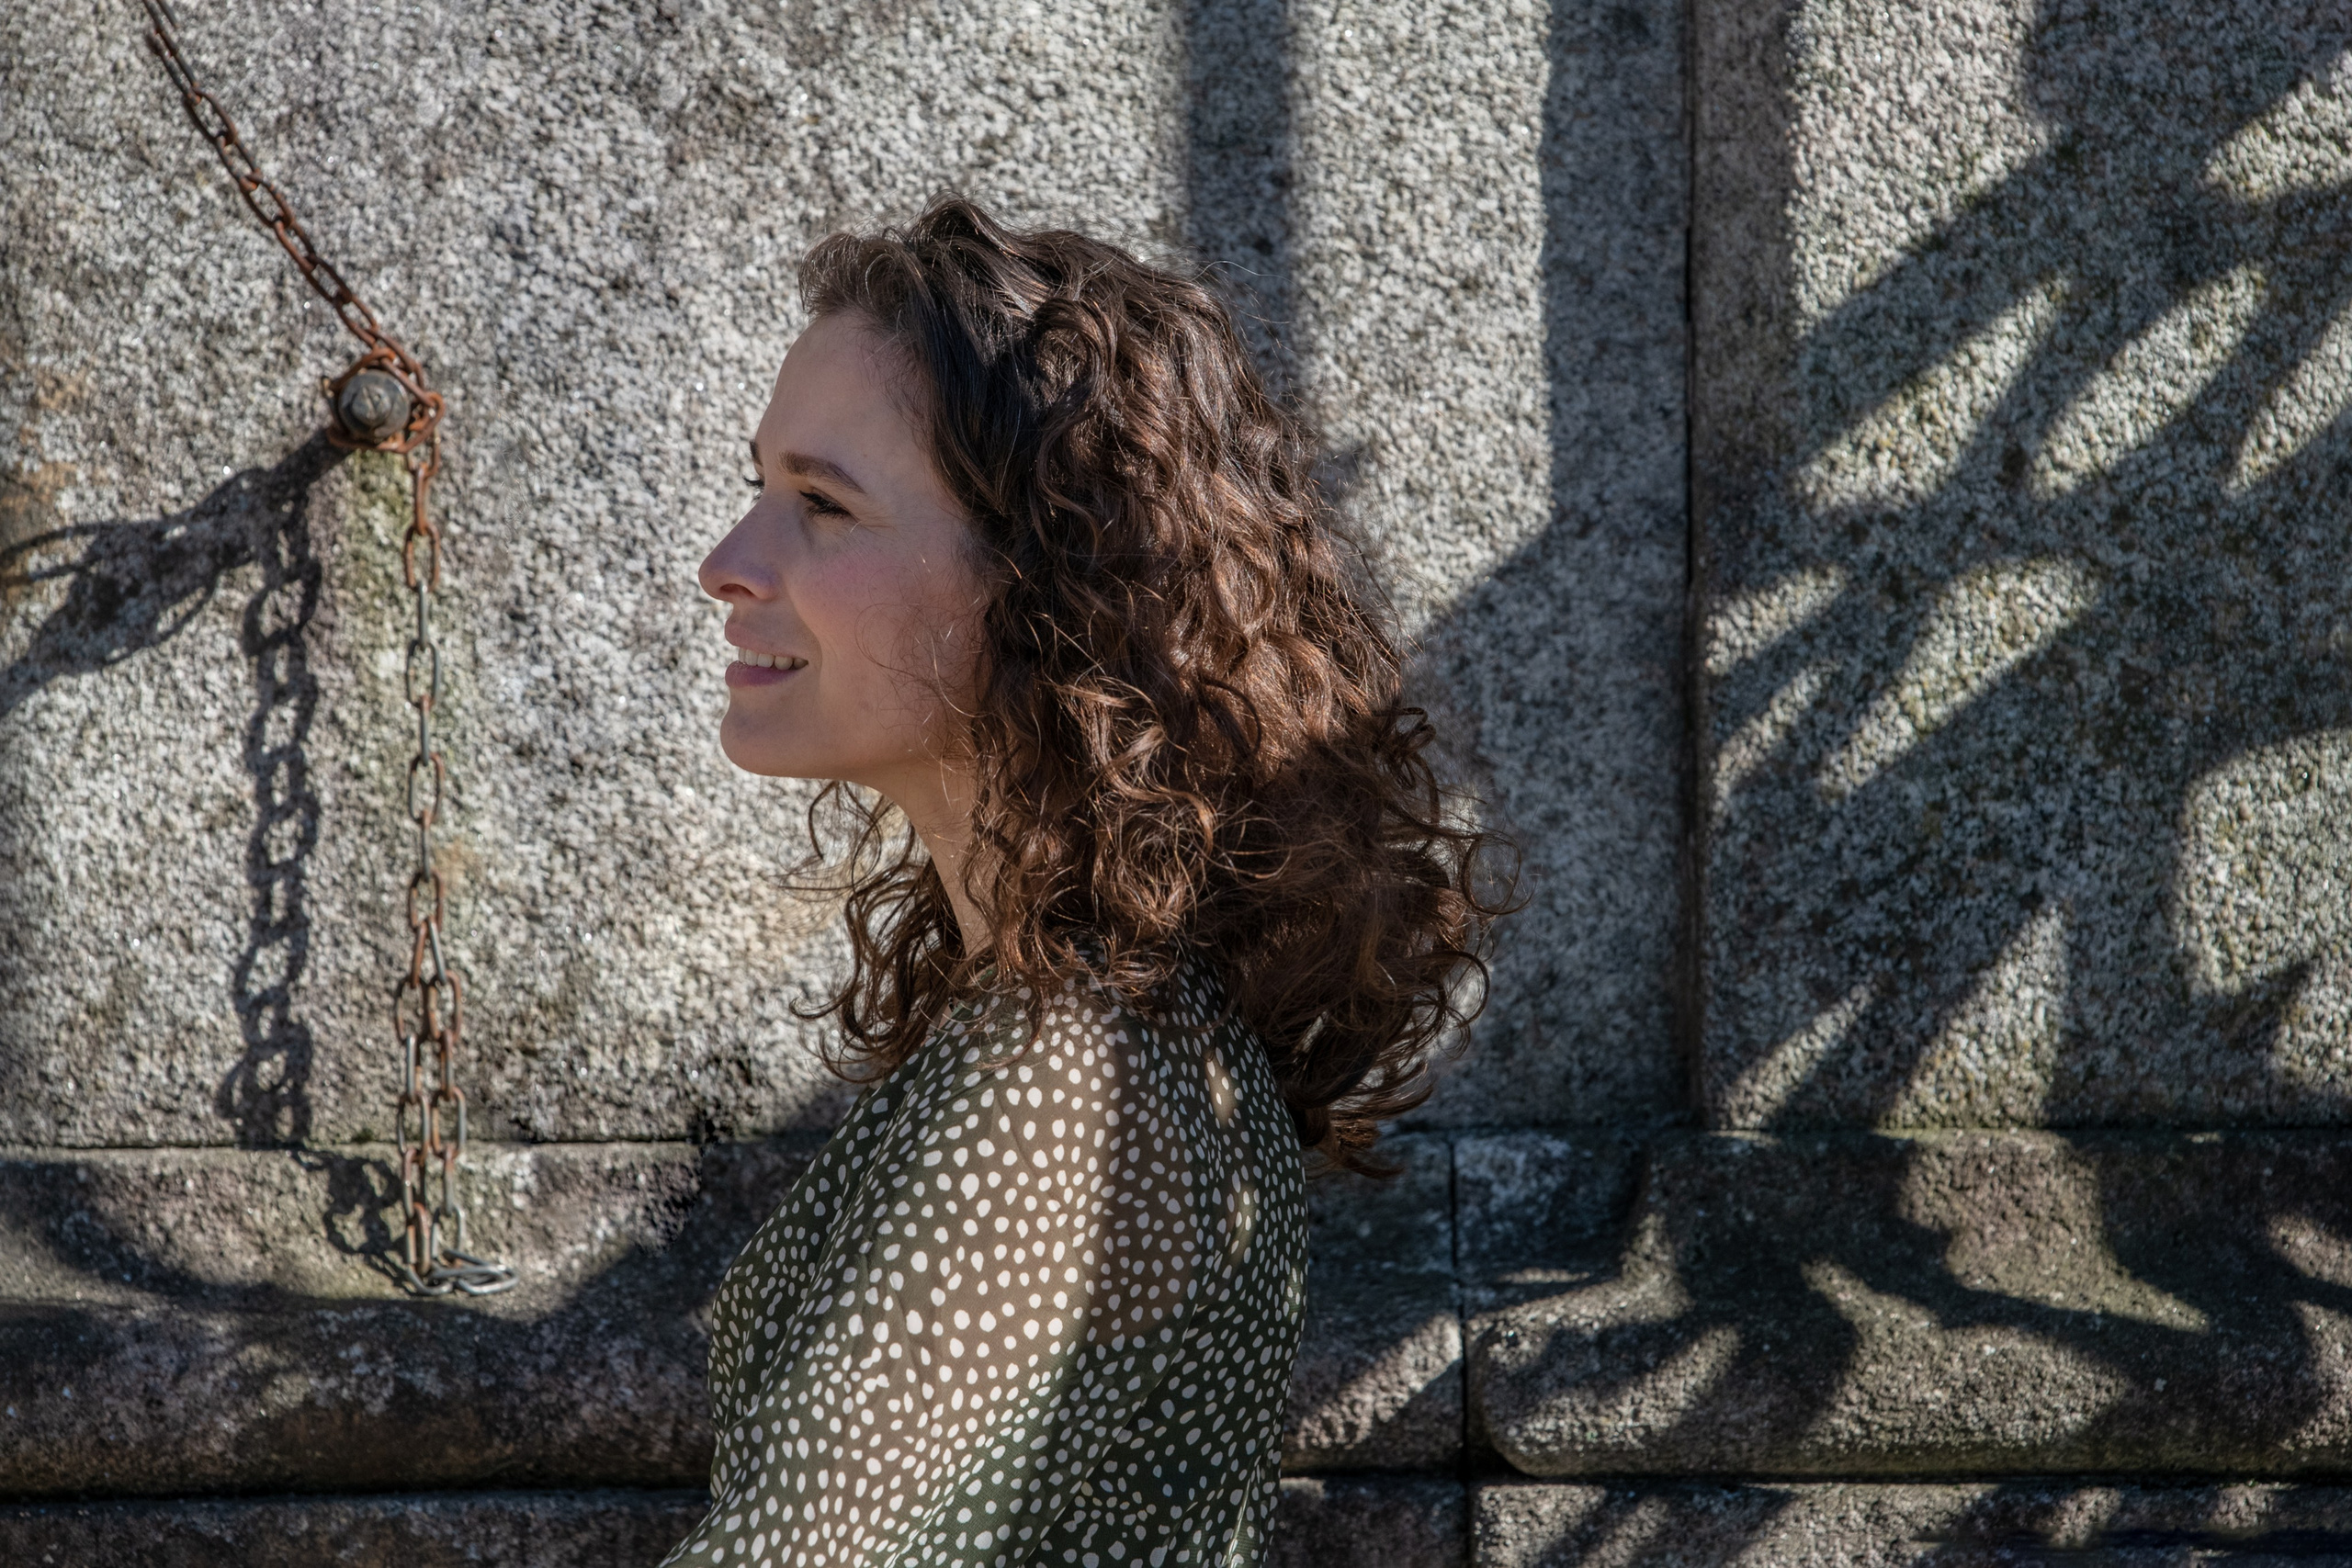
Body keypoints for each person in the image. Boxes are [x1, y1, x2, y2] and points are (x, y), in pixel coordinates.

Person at [667, 195, 1510, 1568]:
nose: (730, 565)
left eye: (820, 505)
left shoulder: (1058, 1081)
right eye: (759, 489)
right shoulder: (1084, 1030)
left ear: (1047, 585)